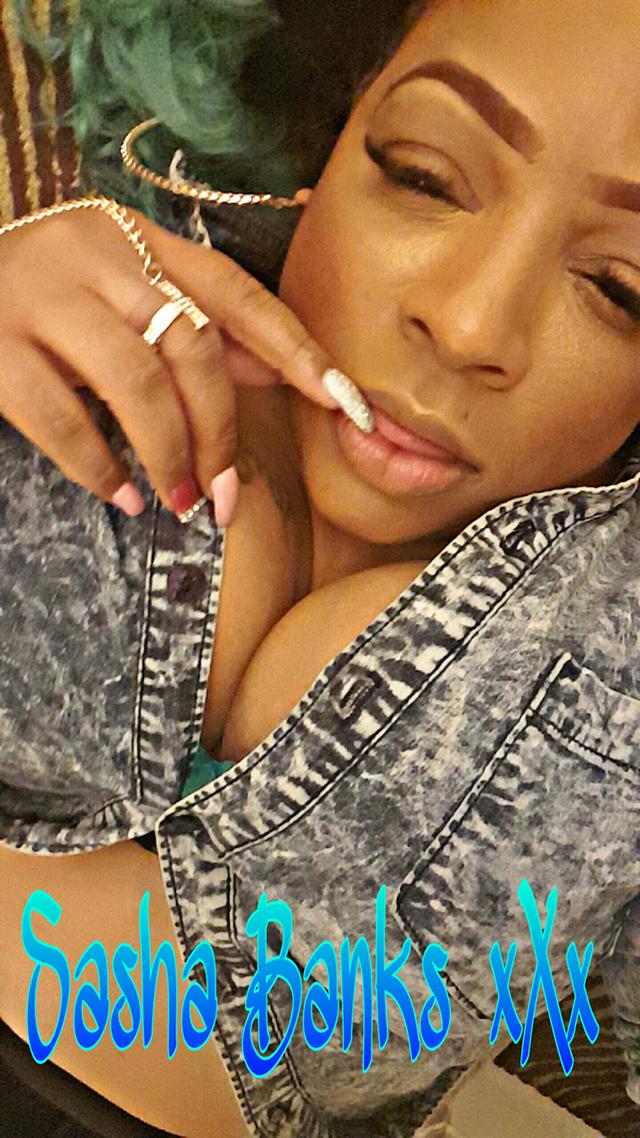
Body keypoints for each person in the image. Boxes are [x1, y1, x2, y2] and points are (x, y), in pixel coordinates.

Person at [1, 1, 640, 1136]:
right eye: (426, 175)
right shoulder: (69, 325)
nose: (468, 322)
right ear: (333, 127)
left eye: (623, 288)